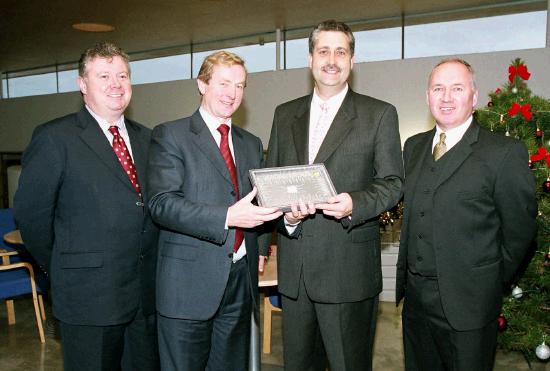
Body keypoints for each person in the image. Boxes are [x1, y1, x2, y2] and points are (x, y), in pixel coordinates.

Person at [261, 20, 404, 371]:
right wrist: (286, 218)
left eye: (341, 51)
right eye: (323, 50)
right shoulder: (284, 114)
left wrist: (355, 202)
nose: (331, 59)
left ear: (352, 61)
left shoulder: (379, 114)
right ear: (310, 59)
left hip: (348, 275)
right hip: (296, 276)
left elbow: (393, 183)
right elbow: (272, 186)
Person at [14, 42, 160, 371]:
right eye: (104, 75)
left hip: (143, 299)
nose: (116, 84)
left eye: (122, 75)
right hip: (87, 299)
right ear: (82, 84)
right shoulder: (55, 138)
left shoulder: (148, 139)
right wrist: (64, 268)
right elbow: (32, 216)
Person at [396, 58, 537, 370]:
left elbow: (520, 230)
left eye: (457, 88)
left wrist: (487, 280)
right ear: (427, 96)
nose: (446, 97)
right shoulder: (413, 147)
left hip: (470, 304)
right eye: (438, 88)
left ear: (474, 98)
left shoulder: (503, 152)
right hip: (416, 303)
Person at [147, 50, 282, 371]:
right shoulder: (171, 135)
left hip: (239, 281)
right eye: (224, 83)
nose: (232, 93)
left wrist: (261, 245)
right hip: (187, 285)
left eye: (240, 85)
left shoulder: (250, 142)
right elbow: (161, 204)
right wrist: (226, 218)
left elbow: (258, 201)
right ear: (202, 84)